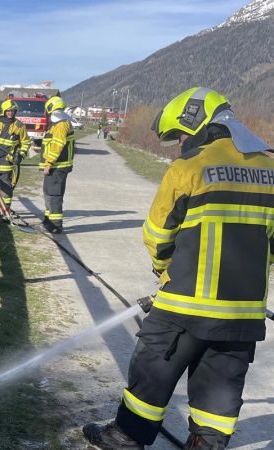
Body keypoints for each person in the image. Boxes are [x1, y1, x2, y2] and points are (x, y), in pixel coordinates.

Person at [82, 87, 274, 450]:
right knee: (222, 381)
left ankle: (126, 436)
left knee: (152, 367)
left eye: (182, 134)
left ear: (196, 123)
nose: (181, 142)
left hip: (184, 305)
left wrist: (163, 270)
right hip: (243, 313)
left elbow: (157, 234)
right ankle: (205, 444)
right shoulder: (271, 169)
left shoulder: (189, 167)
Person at [0, 99, 31, 212]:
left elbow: (26, 143)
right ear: (3, 111)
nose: (10, 113)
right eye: (8, 111)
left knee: (6, 189)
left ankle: (5, 210)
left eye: (13, 111)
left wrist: (21, 155)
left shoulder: (19, 126)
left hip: (6, 162)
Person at [40, 96, 75, 233]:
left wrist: (49, 162)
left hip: (57, 166)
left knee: (54, 195)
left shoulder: (61, 124)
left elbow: (58, 145)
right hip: (55, 166)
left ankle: (55, 225)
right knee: (48, 193)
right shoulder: (58, 123)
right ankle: (48, 221)